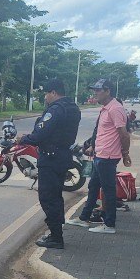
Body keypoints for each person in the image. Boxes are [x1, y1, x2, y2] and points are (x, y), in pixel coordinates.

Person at [16, 78, 81, 249]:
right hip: (63, 156)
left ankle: (56, 237)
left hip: (51, 158)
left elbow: (39, 135)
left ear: (53, 92)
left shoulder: (56, 110)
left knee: (48, 198)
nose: (45, 97)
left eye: (46, 93)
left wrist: (23, 139)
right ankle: (56, 231)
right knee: (56, 196)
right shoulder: (73, 107)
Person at [68, 78, 131, 234]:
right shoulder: (106, 108)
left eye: (98, 90)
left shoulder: (115, 108)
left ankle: (109, 224)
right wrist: (93, 147)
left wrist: (125, 153)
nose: (95, 93)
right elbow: (104, 133)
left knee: (108, 191)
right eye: (94, 90)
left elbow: (124, 135)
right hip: (100, 155)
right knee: (93, 187)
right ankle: (84, 218)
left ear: (108, 90)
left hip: (107, 157)